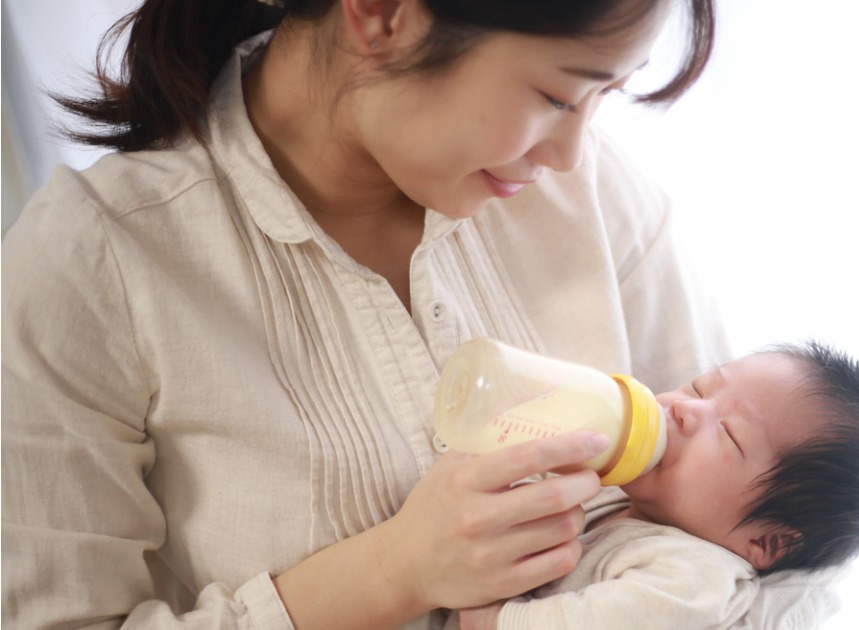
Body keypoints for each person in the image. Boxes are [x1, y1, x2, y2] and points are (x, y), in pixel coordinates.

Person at [0, 0, 761, 628]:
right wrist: (394, 571)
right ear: (385, 15)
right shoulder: (97, 263)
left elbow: (774, 552)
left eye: (607, 96)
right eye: (558, 96)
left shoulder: (589, 199)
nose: (570, 152)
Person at [453, 341, 859, 630]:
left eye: (729, 434)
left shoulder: (696, 576)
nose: (683, 408)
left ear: (766, 540)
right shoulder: (628, 498)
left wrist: (495, 619)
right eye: (699, 388)